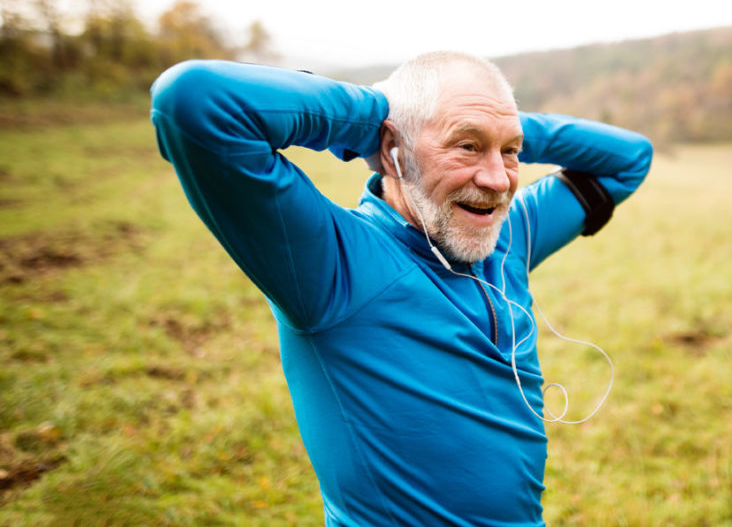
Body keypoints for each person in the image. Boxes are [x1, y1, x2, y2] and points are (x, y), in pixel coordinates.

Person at [150, 51, 652, 526]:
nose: (499, 181)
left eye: (511, 153)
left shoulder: (506, 238)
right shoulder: (335, 262)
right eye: (466, 146)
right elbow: (193, 100)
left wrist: (498, 126)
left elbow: (630, 158)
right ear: (392, 151)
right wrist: (381, 120)